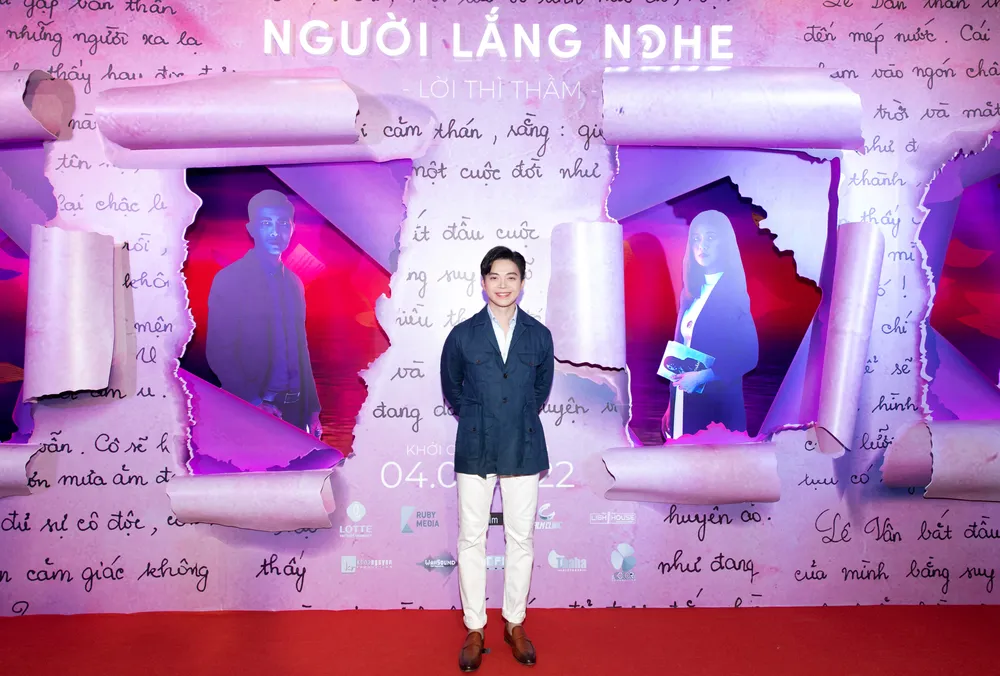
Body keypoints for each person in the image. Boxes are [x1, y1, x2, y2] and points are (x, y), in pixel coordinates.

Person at [440, 246, 555, 672]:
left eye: (511, 277)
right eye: (495, 277)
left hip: (524, 444)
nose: (503, 285)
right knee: (471, 538)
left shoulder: (539, 335)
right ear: (483, 281)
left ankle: (514, 623)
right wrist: (478, 417)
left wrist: (514, 416)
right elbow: (452, 387)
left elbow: (540, 390)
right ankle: (475, 627)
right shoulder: (462, 335)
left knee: (520, 538)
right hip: (476, 444)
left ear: (522, 282)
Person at [206, 189, 322, 439]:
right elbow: (219, 352)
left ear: (292, 228)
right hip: (252, 408)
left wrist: (313, 410)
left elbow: (301, 349)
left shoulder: (294, 283)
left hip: (294, 409)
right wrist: (254, 402)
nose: (275, 232)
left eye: (283, 224)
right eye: (266, 223)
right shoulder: (229, 279)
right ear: (251, 228)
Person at [662, 210, 758, 439]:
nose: (701, 245)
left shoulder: (733, 292)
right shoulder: (689, 293)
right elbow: (682, 349)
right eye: (696, 238)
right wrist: (671, 404)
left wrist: (702, 377)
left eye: (711, 237)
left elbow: (749, 355)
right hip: (683, 401)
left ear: (725, 242)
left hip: (716, 407)